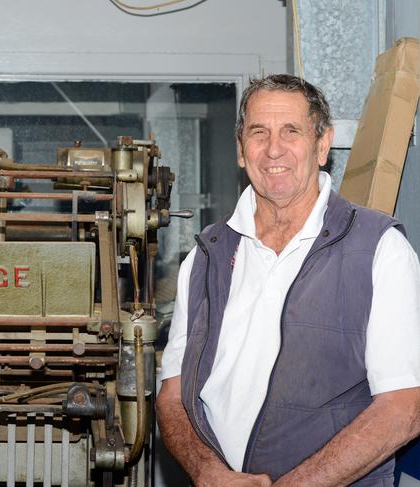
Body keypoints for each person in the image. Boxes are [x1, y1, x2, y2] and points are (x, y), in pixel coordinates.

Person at [156, 74, 420, 486]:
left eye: (291, 131)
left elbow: (403, 409)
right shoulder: (205, 257)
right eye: (258, 132)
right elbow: (172, 397)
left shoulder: (380, 250)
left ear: (322, 144)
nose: (273, 149)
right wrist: (207, 472)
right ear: (242, 150)